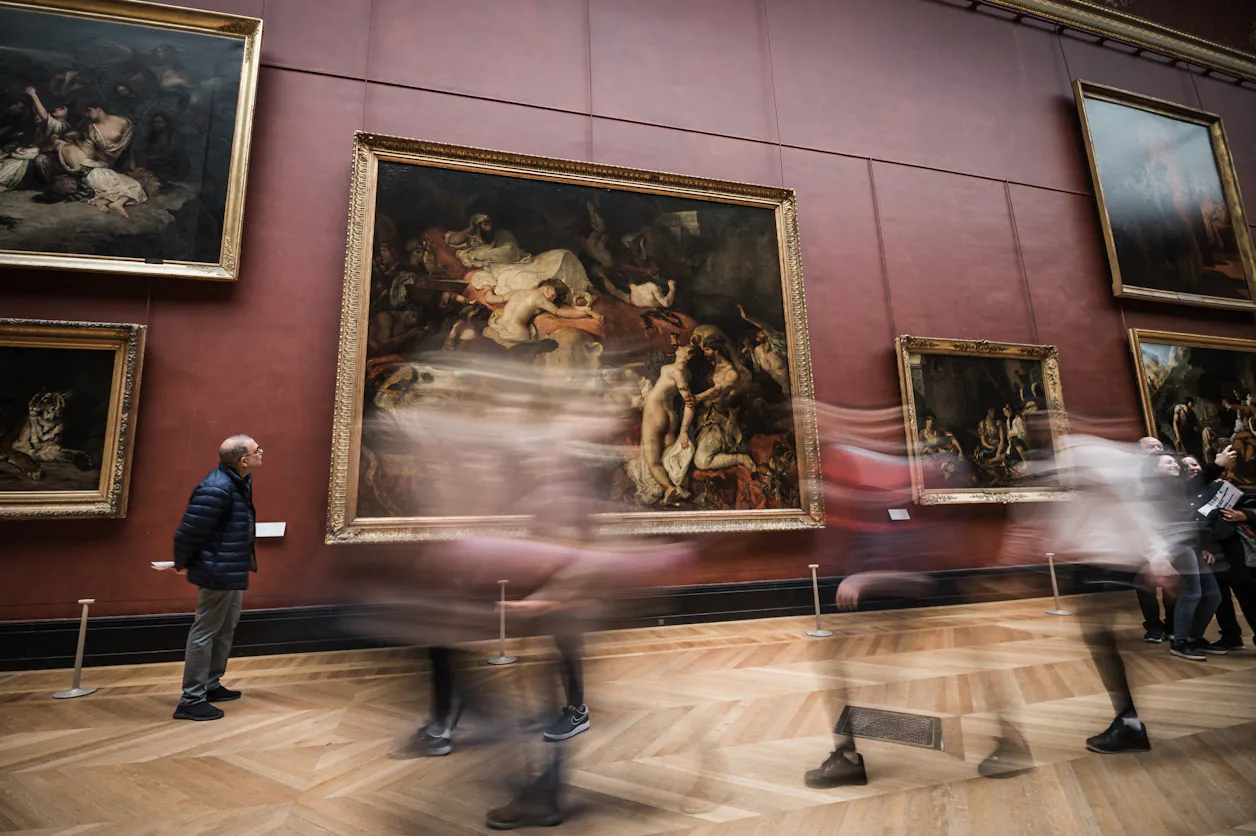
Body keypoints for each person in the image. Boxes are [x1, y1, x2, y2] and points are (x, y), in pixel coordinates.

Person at [171, 435, 262, 721]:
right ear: (243, 460)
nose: (262, 453)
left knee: (224, 629)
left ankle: (210, 684)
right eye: (257, 450)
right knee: (205, 633)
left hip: (230, 568)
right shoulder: (216, 488)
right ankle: (190, 699)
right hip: (216, 570)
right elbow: (188, 532)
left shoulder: (238, 480)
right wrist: (182, 563)